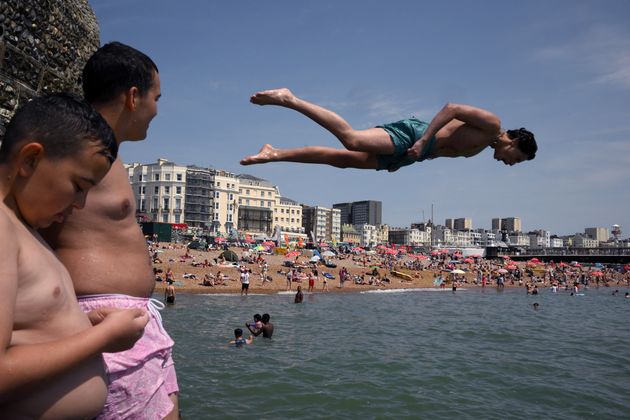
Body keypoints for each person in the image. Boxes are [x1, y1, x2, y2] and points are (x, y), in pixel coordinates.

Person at [39, 42, 180, 419]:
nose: (157, 111)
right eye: (157, 97)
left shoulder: (109, 156)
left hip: (138, 326)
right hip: (103, 326)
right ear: (134, 97)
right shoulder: (72, 149)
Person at [0, 93, 150, 418]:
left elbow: (28, 326)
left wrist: (83, 324)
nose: (80, 204)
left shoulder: (27, 230)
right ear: (29, 161)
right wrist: (102, 338)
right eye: (79, 185)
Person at [241, 88, 537, 172]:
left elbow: (442, 151)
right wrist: (421, 141)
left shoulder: (479, 150)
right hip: (413, 135)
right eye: (517, 159)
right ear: (516, 143)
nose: (511, 164)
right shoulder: (492, 125)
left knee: (340, 159)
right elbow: (452, 108)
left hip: (410, 153)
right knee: (352, 139)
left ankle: (274, 154)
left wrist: (410, 159)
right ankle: (289, 99)